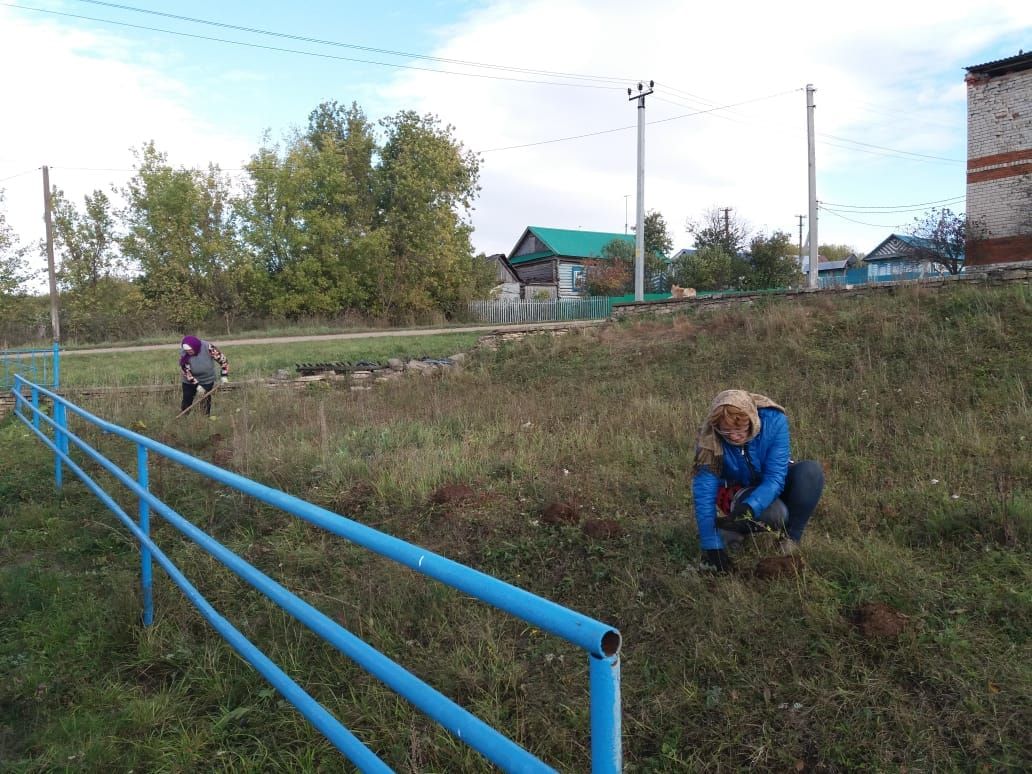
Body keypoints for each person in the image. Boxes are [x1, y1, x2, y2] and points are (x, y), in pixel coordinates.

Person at [692, 389, 824, 573]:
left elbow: (776, 477)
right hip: (736, 488)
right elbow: (704, 494)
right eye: (726, 431)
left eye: (739, 430)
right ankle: (730, 528)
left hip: (770, 481)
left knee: (811, 472)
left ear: (752, 420)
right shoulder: (709, 439)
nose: (733, 437)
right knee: (776, 514)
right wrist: (712, 547)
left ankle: (790, 540)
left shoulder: (773, 421)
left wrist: (752, 506)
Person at [179, 335, 229, 417]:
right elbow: (186, 371)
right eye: (187, 351)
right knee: (187, 399)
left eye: (190, 350)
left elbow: (223, 361)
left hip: (207, 379)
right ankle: (184, 417)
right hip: (189, 381)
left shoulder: (208, 347)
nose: (189, 352)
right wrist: (197, 386)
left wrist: (224, 375)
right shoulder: (184, 352)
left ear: (195, 346)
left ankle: (204, 418)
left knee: (205, 400)